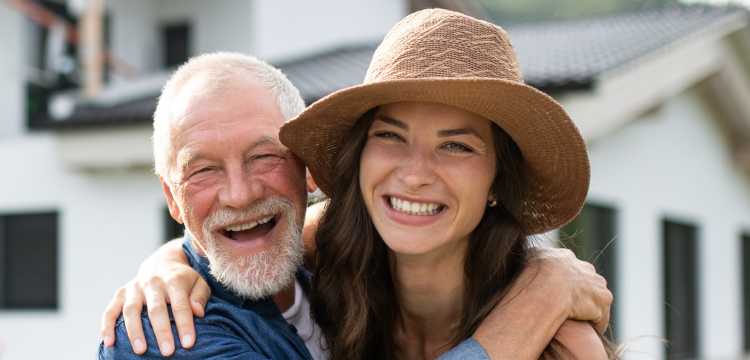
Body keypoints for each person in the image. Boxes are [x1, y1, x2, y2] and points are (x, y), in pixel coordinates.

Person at [99, 11, 614, 358]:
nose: (415, 173)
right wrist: (169, 261)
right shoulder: (165, 330)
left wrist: (545, 282)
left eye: (456, 145)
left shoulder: (561, 343)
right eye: (391, 137)